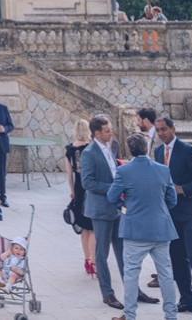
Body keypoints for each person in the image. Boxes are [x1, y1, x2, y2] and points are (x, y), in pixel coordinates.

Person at [83, 115, 157, 311]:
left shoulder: (113, 145)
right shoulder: (89, 153)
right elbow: (87, 182)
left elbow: (116, 168)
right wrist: (114, 186)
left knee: (124, 251)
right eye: (107, 130)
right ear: (97, 133)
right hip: (100, 209)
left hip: (117, 208)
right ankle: (107, 293)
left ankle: (133, 290)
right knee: (102, 253)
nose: (111, 133)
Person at [107, 133, 179, 320]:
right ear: (147, 147)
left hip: (135, 230)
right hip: (161, 228)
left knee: (131, 274)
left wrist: (125, 207)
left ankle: (130, 315)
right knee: (166, 274)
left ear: (130, 150)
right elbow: (172, 200)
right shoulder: (163, 170)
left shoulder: (124, 171)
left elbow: (111, 197)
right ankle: (171, 315)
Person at [153, 117, 192, 320]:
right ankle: (187, 300)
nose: (161, 133)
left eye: (163, 129)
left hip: (191, 213)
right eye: (158, 130)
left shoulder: (189, 151)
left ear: (173, 129)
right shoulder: (158, 152)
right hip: (171, 214)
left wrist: (183, 189)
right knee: (177, 258)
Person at [64, 118, 97, 277]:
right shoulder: (91, 147)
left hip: (78, 188)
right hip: (89, 188)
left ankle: (87, 259)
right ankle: (94, 261)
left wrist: (72, 190)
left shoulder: (69, 149)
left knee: (84, 228)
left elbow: (69, 174)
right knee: (92, 228)